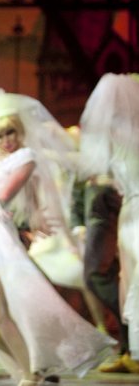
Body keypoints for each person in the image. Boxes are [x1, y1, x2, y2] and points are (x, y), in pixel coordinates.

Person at [0, 89, 116, 385]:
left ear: (18, 130)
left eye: (10, 132)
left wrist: (3, 208)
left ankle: (30, 375)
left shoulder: (25, 157)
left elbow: (7, 192)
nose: (6, 140)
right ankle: (25, 369)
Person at [79, 72, 139, 372]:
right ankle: (131, 351)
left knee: (126, 277)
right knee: (127, 278)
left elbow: (102, 173)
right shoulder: (124, 136)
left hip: (129, 210)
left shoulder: (119, 134)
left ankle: (131, 349)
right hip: (127, 209)